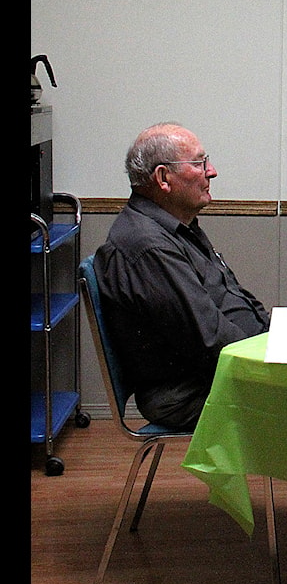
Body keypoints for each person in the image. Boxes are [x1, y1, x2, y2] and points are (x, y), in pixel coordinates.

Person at [95, 123, 270, 430]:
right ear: (163, 178)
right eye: (199, 163)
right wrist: (276, 364)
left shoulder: (175, 227)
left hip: (215, 373)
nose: (211, 171)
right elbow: (209, 342)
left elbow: (232, 297)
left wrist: (276, 336)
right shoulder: (149, 247)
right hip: (187, 392)